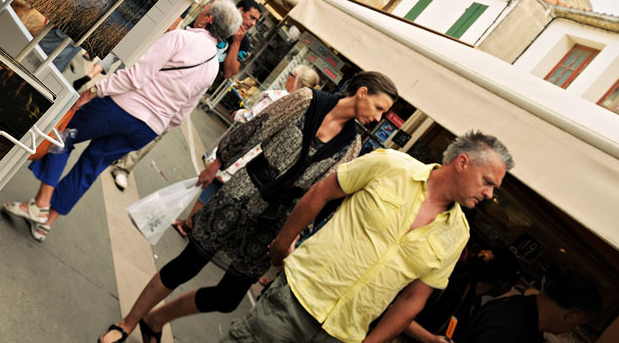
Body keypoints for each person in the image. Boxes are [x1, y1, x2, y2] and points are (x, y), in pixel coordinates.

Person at [97, 71, 399, 343]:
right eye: (379, 108)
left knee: (228, 297)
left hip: (274, 221)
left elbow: (322, 195)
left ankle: (156, 319)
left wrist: (294, 235)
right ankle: (127, 323)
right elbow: (257, 127)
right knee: (187, 264)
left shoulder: (352, 146)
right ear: (361, 92)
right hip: (245, 191)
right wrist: (218, 161)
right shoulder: (306, 100)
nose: (378, 118)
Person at [220, 131, 514, 343]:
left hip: (344, 334)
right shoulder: (392, 166)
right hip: (296, 300)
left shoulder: (458, 234)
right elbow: (321, 192)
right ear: (462, 163)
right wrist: (284, 242)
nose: (488, 194)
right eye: (487, 182)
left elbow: (413, 299)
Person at [2, 0, 241, 241]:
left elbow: (136, 76)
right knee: (92, 166)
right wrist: (157, 125)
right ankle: (46, 222)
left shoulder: (180, 38)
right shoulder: (213, 66)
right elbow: (182, 113)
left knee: (62, 134)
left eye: (206, 10)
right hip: (146, 129)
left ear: (208, 18)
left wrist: (92, 92)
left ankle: (41, 203)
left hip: (120, 109)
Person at [110, 0, 262, 191]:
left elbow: (230, 73)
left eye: (256, 20)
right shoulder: (214, 17)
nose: (253, 23)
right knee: (138, 109)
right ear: (239, 10)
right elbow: (190, 31)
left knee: (160, 127)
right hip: (170, 75)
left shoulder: (244, 42)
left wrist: (236, 43)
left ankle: (124, 166)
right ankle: (115, 148)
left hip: (191, 89)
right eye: (252, 17)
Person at [172, 64, 321, 237]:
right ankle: (202, 229)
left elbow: (253, 121)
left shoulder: (278, 99)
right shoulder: (305, 112)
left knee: (212, 186)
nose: (287, 77)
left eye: (290, 74)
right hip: (261, 162)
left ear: (296, 81)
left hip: (243, 150)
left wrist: (238, 113)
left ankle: (189, 224)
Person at [400, 247, 520, 343]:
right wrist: (430, 339)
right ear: (503, 284)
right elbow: (398, 313)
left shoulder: (473, 298)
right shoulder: (450, 284)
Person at [456, 270, 601, 343]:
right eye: (579, 323)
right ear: (571, 316)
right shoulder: (511, 327)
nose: (575, 327)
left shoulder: (515, 307)